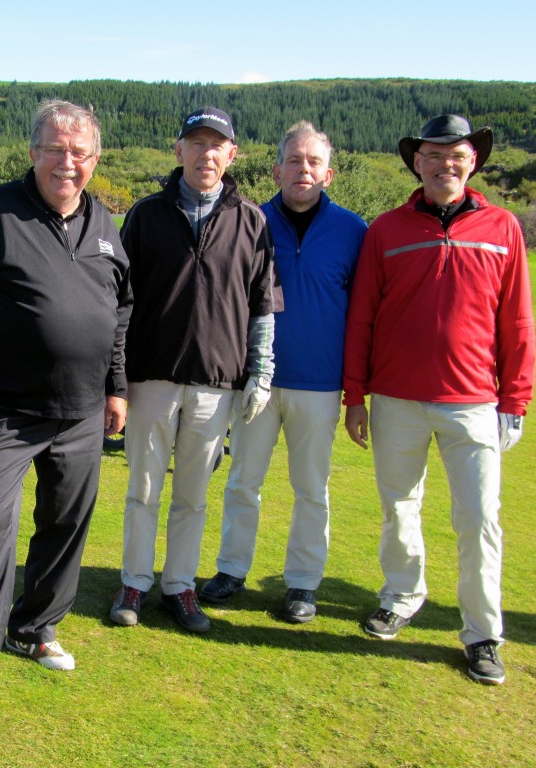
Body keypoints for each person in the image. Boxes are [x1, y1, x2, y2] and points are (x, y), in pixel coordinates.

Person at [0, 99, 132, 730]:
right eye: (56, 149)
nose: (68, 162)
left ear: (95, 159)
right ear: (34, 152)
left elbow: (119, 309)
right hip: (6, 411)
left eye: (80, 152)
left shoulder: (104, 222)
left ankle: (34, 628)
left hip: (82, 411)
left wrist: (117, 387)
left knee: (65, 528)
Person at [343, 114, 536, 685]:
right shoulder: (386, 229)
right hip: (397, 398)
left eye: (457, 155)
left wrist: (516, 400)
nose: (445, 164)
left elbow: (517, 321)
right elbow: (363, 316)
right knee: (399, 507)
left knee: (478, 519)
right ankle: (402, 595)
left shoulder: (503, 227)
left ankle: (482, 633)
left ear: (472, 162)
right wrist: (356, 395)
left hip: (474, 402)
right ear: (417, 163)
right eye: (434, 155)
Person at [110, 106, 279, 634]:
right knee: (142, 489)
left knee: (192, 496)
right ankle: (134, 581)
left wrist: (260, 372)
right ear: (179, 149)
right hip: (151, 377)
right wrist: (116, 377)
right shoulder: (146, 214)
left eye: (217, 145)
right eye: (197, 143)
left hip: (216, 382)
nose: (207, 154)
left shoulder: (252, 220)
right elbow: (119, 301)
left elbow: (262, 306)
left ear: (232, 155)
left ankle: (179, 585)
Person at [199, 121, 366, 623]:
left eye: (313, 162)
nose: (303, 170)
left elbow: (364, 313)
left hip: (320, 383)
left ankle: (303, 583)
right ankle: (232, 570)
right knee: (242, 482)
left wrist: (356, 389)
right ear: (276, 170)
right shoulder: (250, 220)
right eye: (294, 160)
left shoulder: (354, 231)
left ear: (329, 174)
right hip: (255, 379)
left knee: (312, 489)